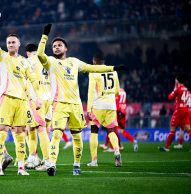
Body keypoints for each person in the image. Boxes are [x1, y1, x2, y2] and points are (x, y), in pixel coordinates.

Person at [37, 24, 126, 176]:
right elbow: (39, 54)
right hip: (59, 104)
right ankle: (52, 164)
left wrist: (112, 68)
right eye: (54, 46)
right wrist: (45, 35)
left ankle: (76, 164)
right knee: (56, 134)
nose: (56, 47)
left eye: (60, 45)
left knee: (77, 137)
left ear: (66, 49)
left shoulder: (74, 62)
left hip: (76, 106)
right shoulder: (51, 62)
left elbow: (93, 68)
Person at [0, 12, 42, 176]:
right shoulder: (2, 57)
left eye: (13, 42)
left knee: (20, 134)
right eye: (8, 42)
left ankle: (21, 167)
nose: (10, 44)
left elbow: (34, 80)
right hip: (6, 99)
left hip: (22, 101)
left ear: (19, 44)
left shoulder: (25, 62)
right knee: (3, 131)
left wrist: (38, 97)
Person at [87, 53, 122, 167]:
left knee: (94, 132)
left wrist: (88, 109)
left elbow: (91, 91)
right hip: (111, 106)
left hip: (98, 106)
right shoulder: (114, 71)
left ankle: (94, 161)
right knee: (111, 132)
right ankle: (116, 150)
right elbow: (117, 90)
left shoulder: (94, 72)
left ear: (95, 62)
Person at [24, 43, 51, 170]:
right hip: (49, 98)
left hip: (36, 98)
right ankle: (33, 157)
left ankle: (47, 161)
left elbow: (24, 79)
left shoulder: (29, 61)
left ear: (27, 52)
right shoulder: (47, 58)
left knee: (39, 129)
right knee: (31, 128)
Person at [158, 75, 191, 152]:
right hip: (185, 109)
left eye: (175, 80)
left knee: (172, 127)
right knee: (188, 128)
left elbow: (169, 97)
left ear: (177, 80)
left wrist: (175, 87)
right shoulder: (186, 89)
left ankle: (167, 147)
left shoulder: (178, 88)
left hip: (179, 110)